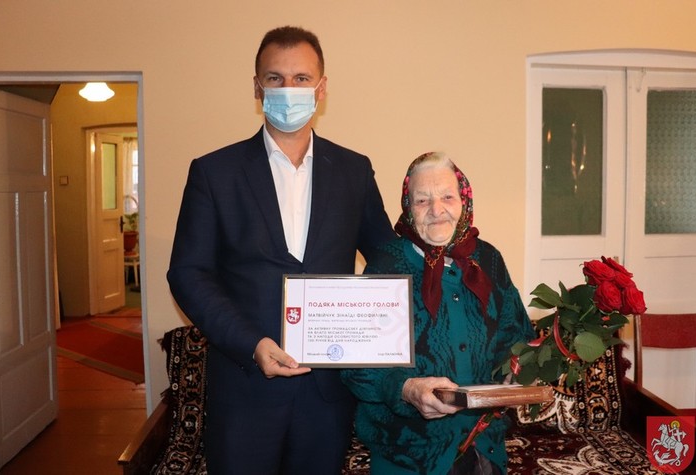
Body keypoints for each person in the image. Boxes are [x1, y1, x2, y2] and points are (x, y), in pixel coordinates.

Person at [167, 26, 396, 474]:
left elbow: (388, 259)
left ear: (321, 88)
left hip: (327, 394)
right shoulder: (214, 172)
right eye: (275, 78)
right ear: (257, 87)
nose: (288, 89)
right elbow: (188, 273)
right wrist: (251, 343)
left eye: (301, 78)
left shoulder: (354, 170)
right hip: (244, 389)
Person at [341, 152, 535, 475]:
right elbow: (357, 366)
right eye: (422, 200)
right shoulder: (386, 266)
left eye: (447, 197)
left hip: (484, 448)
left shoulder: (489, 260)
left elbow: (515, 335)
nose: (436, 209)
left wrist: (519, 366)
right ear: (408, 207)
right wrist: (406, 389)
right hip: (410, 455)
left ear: (464, 201)